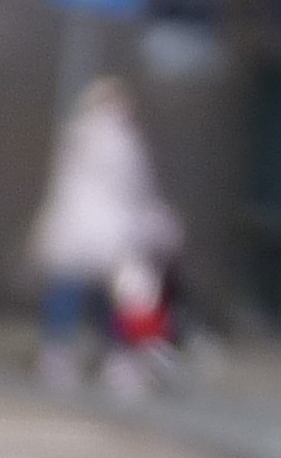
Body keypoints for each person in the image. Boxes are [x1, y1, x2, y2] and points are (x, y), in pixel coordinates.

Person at [23, 74, 176, 388]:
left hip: (76, 231)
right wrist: (153, 224)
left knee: (70, 292)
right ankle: (117, 358)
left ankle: (59, 353)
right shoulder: (121, 141)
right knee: (116, 298)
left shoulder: (78, 133)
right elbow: (135, 189)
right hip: (110, 233)